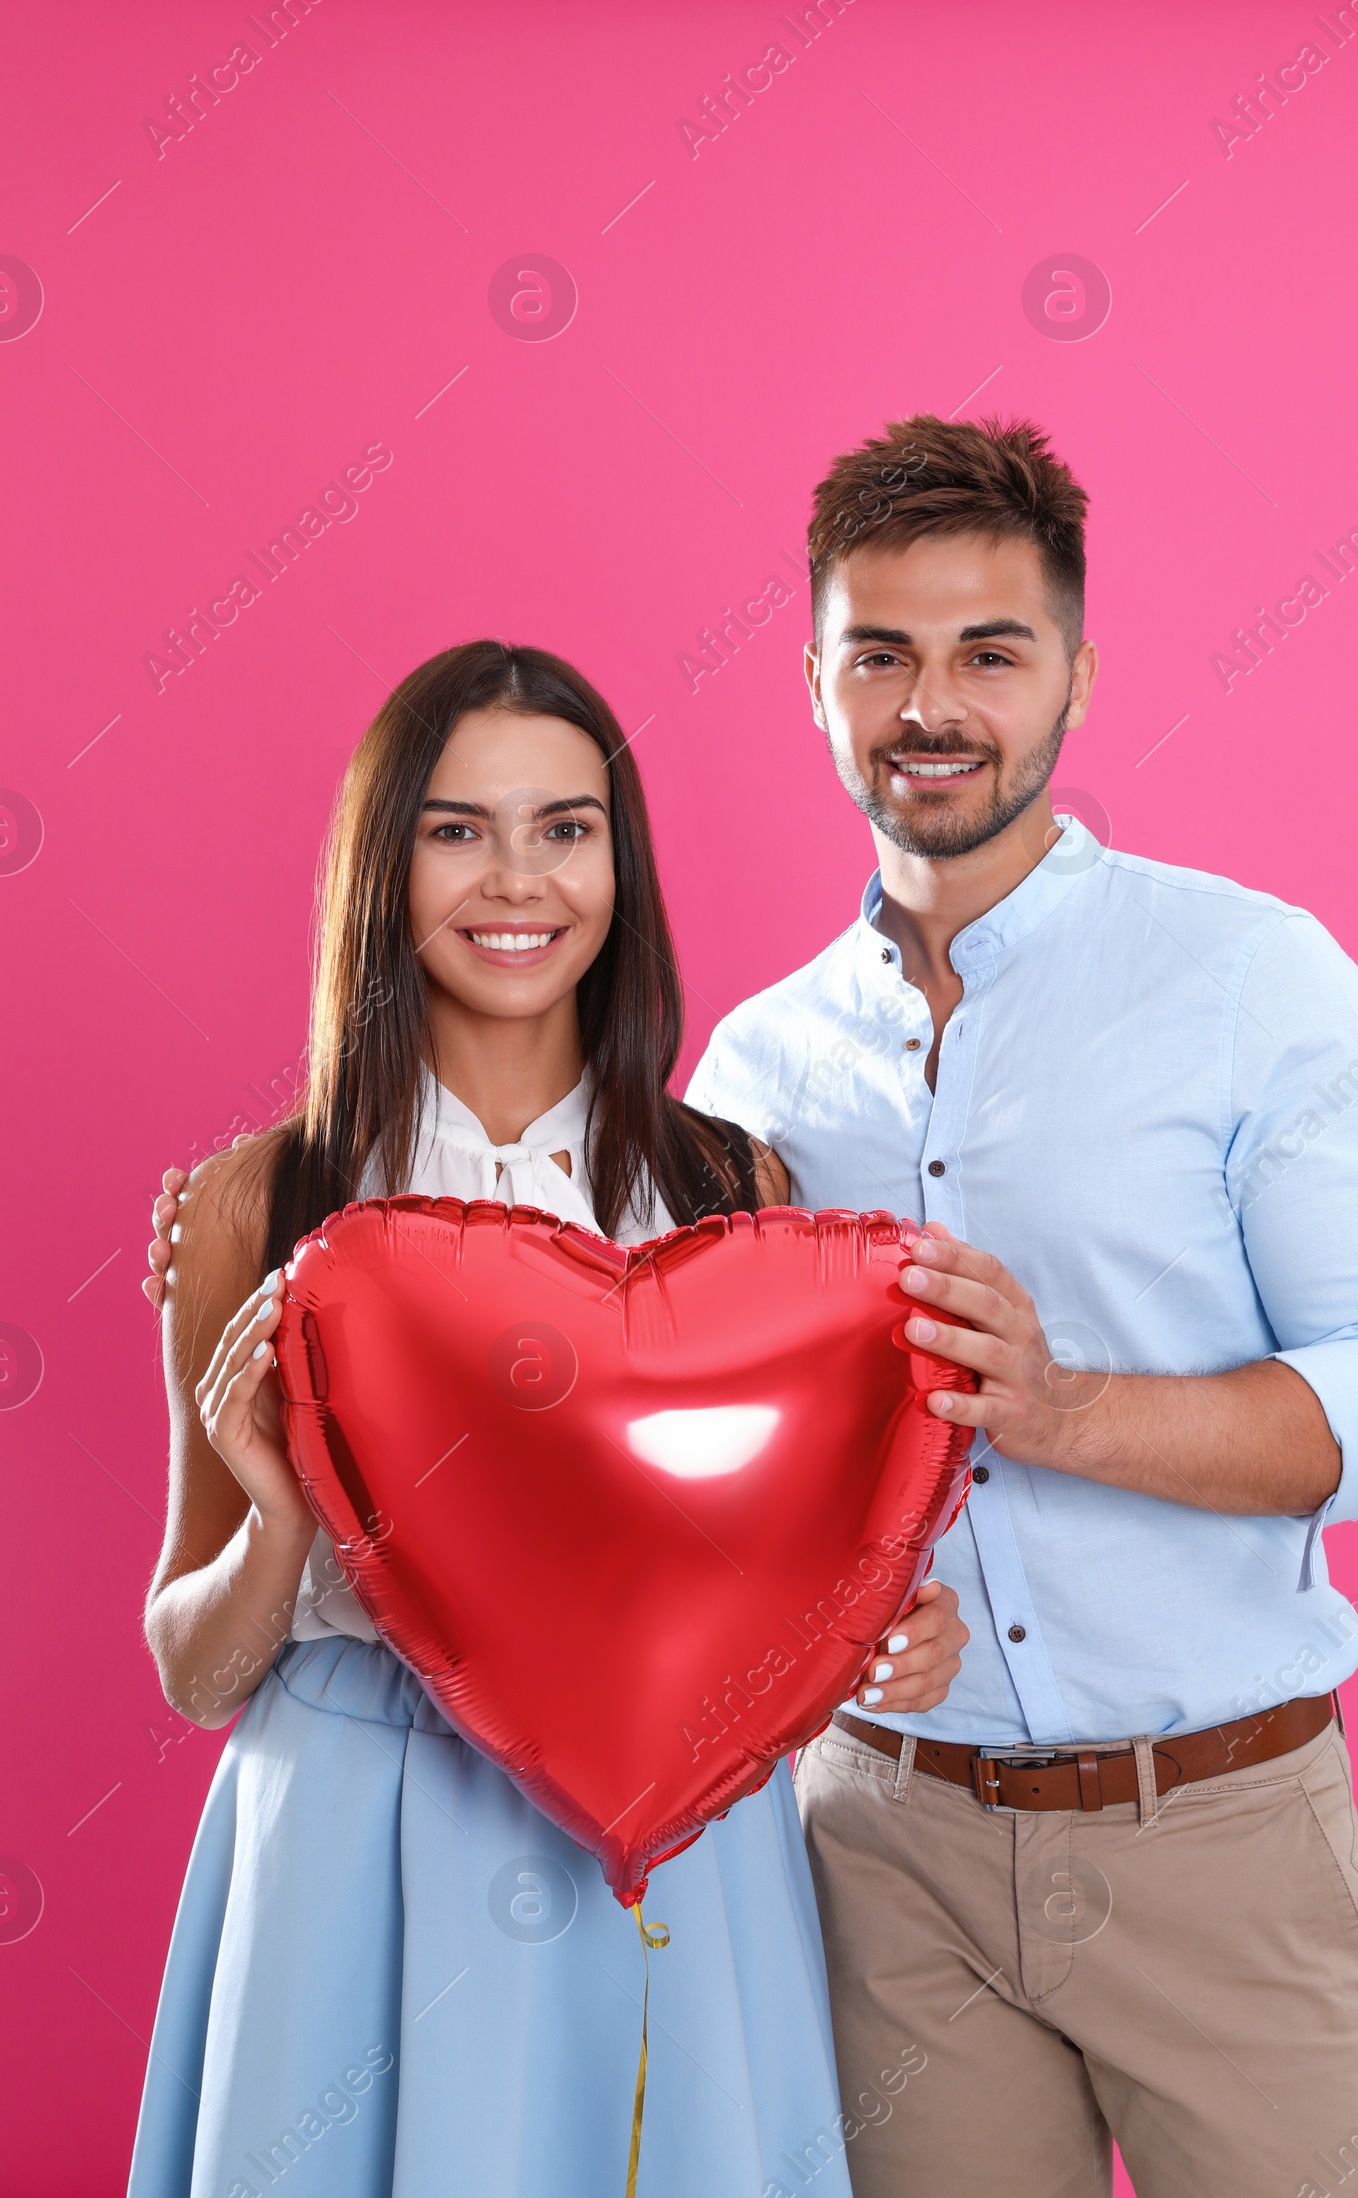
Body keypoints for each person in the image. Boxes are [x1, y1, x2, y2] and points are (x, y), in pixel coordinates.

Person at [682, 416, 1358, 2198]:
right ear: (814, 682)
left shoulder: (1253, 979)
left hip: (1222, 1838)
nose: (932, 705)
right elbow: (726, 1484)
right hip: (883, 1858)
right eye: (880, 652)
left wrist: (1061, 1411)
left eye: (990, 650)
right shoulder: (749, 1075)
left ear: (1078, 677)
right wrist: (817, 1640)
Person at [132, 639, 965, 2198]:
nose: (517, 878)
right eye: (458, 827)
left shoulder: (734, 1189)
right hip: (349, 1837)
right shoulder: (263, 1199)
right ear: (386, 863)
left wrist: (878, 1633)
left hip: (674, 1836)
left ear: (619, 858)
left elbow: (776, 1567)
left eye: (564, 826)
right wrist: (288, 1515)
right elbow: (192, 1667)